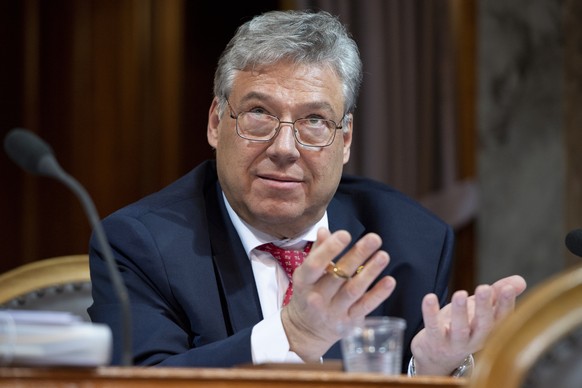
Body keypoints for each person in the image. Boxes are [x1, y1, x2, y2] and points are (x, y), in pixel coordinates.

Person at [88, 9, 526, 375]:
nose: (283, 149)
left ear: (346, 139)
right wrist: (292, 333)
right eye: (258, 113)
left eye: (314, 120)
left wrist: (429, 370)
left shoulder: (412, 239)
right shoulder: (140, 245)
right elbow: (142, 383)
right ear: (217, 123)